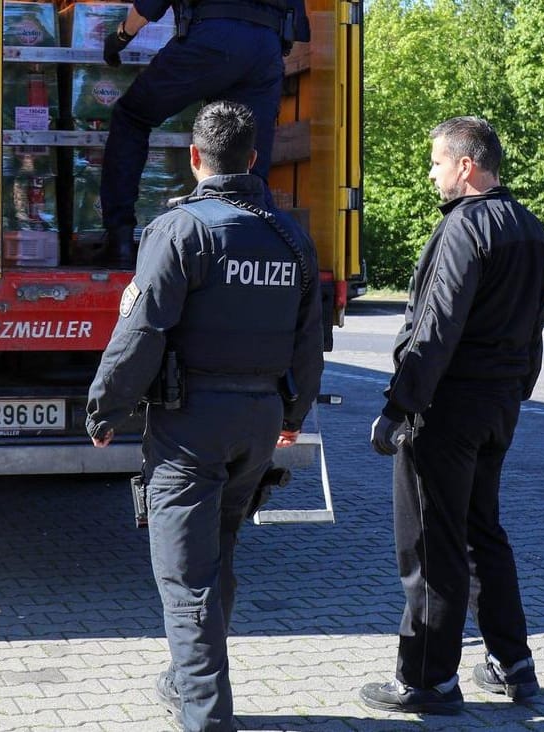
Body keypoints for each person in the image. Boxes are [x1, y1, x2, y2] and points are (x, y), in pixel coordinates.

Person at [85, 101, 324, 731]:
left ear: (195, 158)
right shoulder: (290, 236)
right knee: (216, 558)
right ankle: (182, 681)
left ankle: (206, 717)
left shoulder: (181, 230)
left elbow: (143, 330)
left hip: (192, 424)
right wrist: (292, 414)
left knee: (186, 580)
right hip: (257, 423)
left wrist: (105, 408)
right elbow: (309, 340)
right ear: (253, 158)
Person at [359, 117, 544, 715]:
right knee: (481, 534)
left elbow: (434, 328)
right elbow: (533, 330)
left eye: (437, 162)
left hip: (446, 410)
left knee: (430, 545)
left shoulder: (463, 230)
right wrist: (517, 389)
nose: (432, 172)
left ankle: (427, 680)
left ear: (466, 166)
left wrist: (399, 406)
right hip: (498, 408)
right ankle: (512, 665)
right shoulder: (530, 228)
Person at [98, 0, 309, 254]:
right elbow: (298, 27)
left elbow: (149, 6)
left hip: (212, 39)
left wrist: (120, 37)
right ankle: (248, 252)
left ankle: (119, 237)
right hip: (266, 50)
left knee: (131, 116)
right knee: (246, 150)